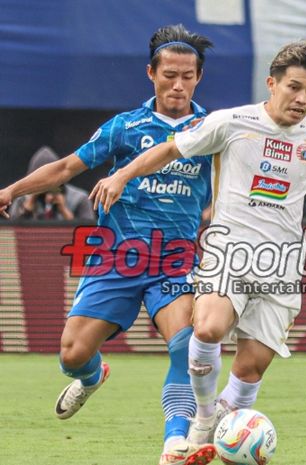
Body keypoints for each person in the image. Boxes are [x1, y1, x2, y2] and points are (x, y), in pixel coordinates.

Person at [90, 39, 306, 447]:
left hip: (281, 263)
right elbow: (169, 148)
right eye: (294, 87)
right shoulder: (231, 122)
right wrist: (122, 175)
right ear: (272, 83)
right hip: (228, 250)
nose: (302, 98)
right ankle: (202, 419)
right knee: (210, 327)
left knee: (250, 370)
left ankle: (219, 429)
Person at [0, 24, 218, 465]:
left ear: (199, 77)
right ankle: (93, 375)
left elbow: (226, 191)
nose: (178, 84)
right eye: (169, 74)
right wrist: (11, 191)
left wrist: (209, 220)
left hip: (174, 261)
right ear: (151, 73)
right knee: (72, 353)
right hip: (116, 258)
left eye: (188, 76)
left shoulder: (211, 129)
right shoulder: (125, 127)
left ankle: (175, 443)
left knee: (185, 345)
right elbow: (64, 168)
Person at [9, 146, 94, 220]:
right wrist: (28, 207)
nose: (46, 188)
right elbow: (11, 233)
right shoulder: (21, 201)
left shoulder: (80, 199)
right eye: (40, 182)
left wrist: (64, 210)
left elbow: (87, 232)